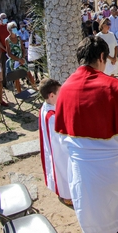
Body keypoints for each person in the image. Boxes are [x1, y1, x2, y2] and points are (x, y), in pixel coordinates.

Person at [55, 36, 118, 233]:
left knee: (93, 221)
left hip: (82, 174)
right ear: (102, 56)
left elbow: (61, 137)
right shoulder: (115, 87)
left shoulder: (65, 89)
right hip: (114, 173)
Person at [38, 78, 72, 206]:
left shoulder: (46, 108)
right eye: (60, 92)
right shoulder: (52, 116)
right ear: (51, 95)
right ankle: (66, 196)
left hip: (53, 145)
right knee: (62, 168)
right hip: (58, 150)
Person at [5, 21, 37, 92]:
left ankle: (35, 88)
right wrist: (18, 60)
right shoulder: (7, 40)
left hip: (22, 59)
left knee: (29, 73)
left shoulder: (19, 38)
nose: (14, 29)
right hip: (14, 60)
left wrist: (22, 58)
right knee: (17, 78)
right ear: (9, 30)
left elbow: (22, 49)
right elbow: (9, 53)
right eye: (12, 28)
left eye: (15, 27)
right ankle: (19, 92)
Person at [0, 13, 10, 84]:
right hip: (2, 50)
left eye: (5, 17)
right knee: (3, 66)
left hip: (9, 49)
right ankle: (4, 82)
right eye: (3, 18)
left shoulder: (8, 26)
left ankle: (11, 80)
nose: (4, 19)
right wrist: (4, 48)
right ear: (0, 19)